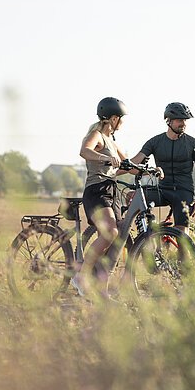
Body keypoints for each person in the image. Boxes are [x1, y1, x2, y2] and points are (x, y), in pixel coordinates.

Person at [74, 96, 130, 297]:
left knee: (109, 241)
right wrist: (106, 158)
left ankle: (100, 290)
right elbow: (85, 151)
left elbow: (128, 165)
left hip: (111, 191)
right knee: (111, 233)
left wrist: (149, 170)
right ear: (113, 119)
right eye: (121, 118)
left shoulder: (113, 143)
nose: (122, 123)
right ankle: (81, 276)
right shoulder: (96, 135)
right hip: (97, 190)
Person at [130, 102, 195, 234]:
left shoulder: (193, 143)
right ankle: (144, 231)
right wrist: (113, 171)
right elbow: (134, 162)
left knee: (182, 236)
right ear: (168, 121)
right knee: (132, 196)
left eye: (185, 120)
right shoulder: (155, 142)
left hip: (183, 191)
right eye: (179, 120)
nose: (183, 123)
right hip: (162, 190)